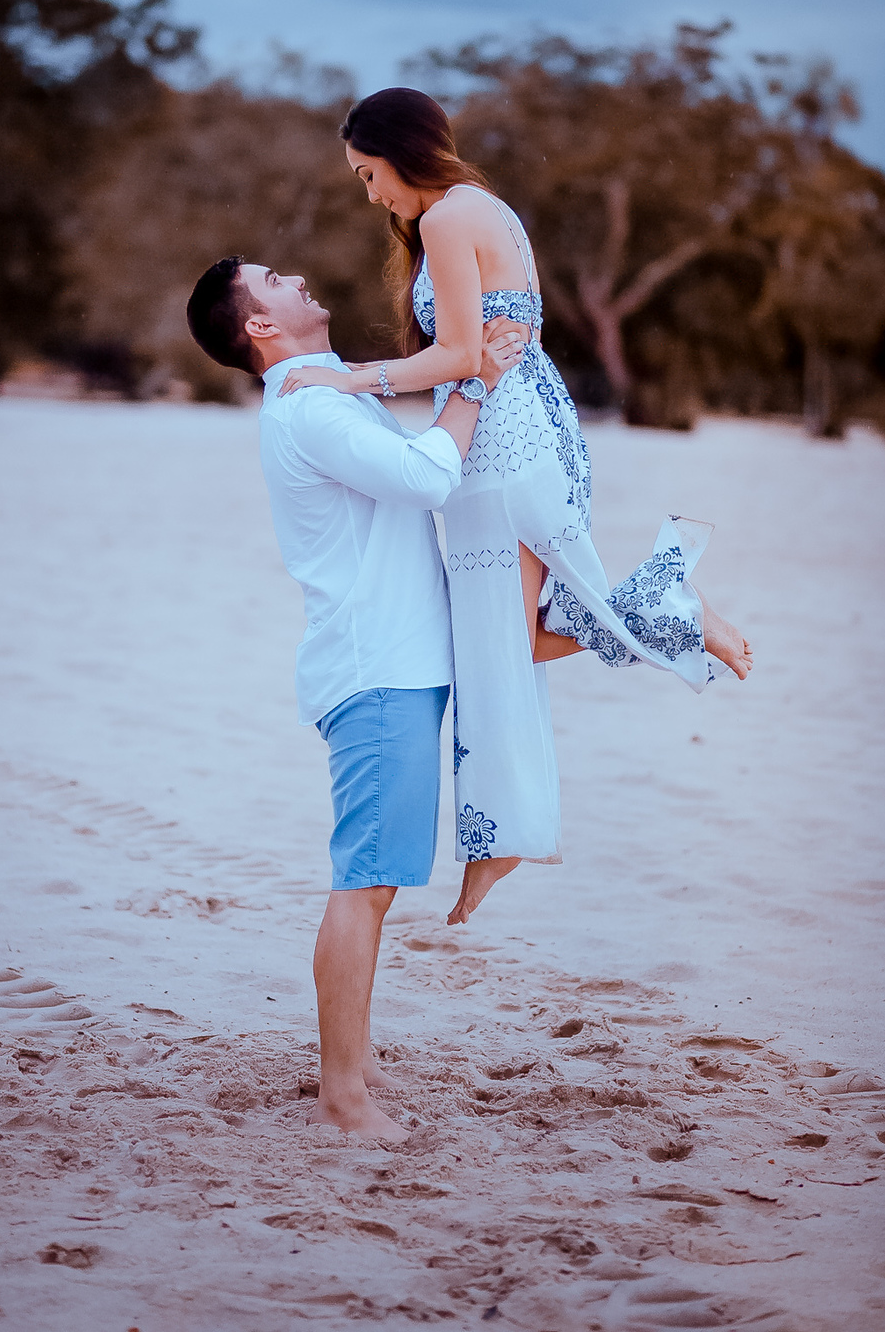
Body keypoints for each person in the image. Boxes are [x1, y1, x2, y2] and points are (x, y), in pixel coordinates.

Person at [277, 87, 754, 928]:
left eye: (369, 173)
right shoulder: (479, 208)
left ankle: (668, 608)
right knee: (508, 638)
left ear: (403, 152)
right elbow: (477, 347)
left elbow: (461, 353)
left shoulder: (449, 219)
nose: (370, 193)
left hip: (502, 445)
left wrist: (350, 378)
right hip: (523, 426)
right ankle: (501, 834)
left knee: (500, 639)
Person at [186, 254, 524, 1143]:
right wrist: (479, 384)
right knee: (365, 883)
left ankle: (355, 1064)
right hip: (379, 669)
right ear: (260, 325)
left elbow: (409, 461)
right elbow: (423, 477)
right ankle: (342, 1096)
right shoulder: (310, 406)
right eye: (272, 279)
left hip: (388, 662)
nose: (294, 277)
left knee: (368, 879)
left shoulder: (325, 396)